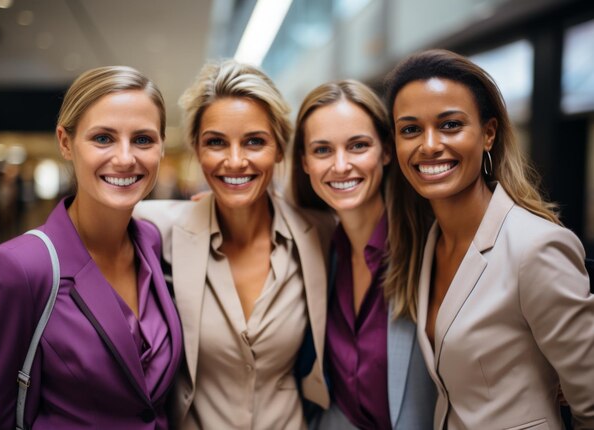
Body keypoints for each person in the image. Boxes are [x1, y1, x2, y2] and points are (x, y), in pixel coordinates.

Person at [383, 49, 594, 429]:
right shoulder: (426, 244)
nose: (428, 145)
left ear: (489, 134)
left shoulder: (535, 246)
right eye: (410, 129)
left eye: (450, 125)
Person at [0, 66, 183, 430]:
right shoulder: (19, 267)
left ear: (162, 146)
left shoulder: (151, 242)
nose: (126, 157)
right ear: (66, 142)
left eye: (143, 140)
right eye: (103, 138)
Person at [134, 60, 334, 429]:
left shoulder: (320, 233)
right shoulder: (156, 228)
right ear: (196, 149)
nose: (236, 161)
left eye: (254, 141)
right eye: (216, 142)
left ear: (279, 149)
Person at [291, 80, 435, 429]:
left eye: (358, 146)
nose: (341, 166)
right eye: (322, 150)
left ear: (386, 151)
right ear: (305, 162)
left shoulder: (430, 245)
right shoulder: (324, 249)